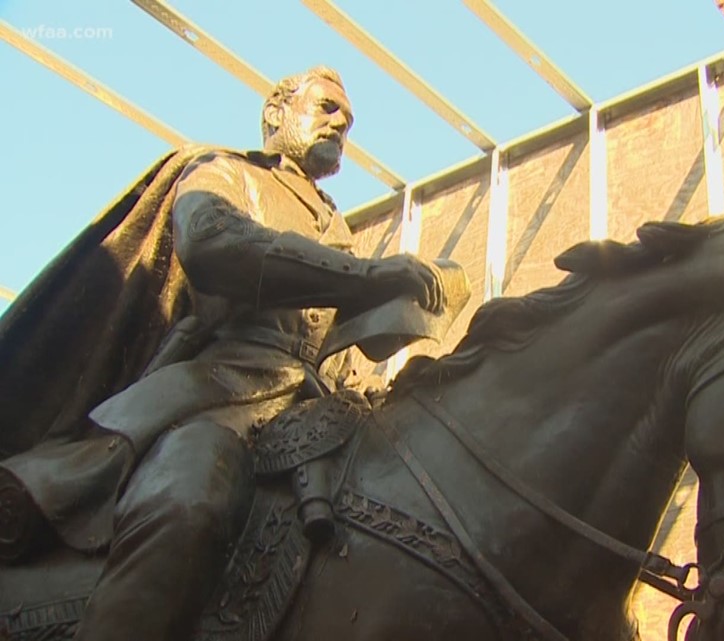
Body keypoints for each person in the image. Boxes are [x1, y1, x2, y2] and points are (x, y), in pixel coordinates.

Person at [0, 66, 446, 641]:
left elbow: (330, 349)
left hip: (313, 410)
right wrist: (363, 277)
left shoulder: (337, 226)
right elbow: (213, 246)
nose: (340, 122)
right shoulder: (225, 173)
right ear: (276, 115)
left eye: (349, 119)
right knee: (189, 505)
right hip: (214, 394)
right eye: (327, 107)